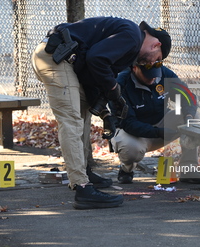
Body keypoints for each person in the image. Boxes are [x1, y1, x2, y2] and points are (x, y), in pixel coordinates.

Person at [31, 16, 171, 209]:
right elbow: (97, 59)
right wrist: (113, 89)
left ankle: (85, 172)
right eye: (157, 60)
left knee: (83, 115)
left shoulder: (129, 47)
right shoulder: (132, 36)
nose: (153, 64)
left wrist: (105, 113)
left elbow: (94, 73)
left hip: (66, 60)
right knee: (71, 120)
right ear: (156, 45)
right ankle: (82, 187)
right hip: (56, 57)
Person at [110, 63, 200, 184]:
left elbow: (187, 96)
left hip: (161, 122)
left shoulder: (163, 73)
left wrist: (188, 116)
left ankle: (189, 168)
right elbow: (128, 123)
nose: (152, 78)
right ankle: (126, 169)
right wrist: (158, 132)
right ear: (134, 68)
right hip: (134, 132)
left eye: (155, 75)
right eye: (148, 75)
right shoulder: (121, 84)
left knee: (194, 117)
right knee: (130, 150)